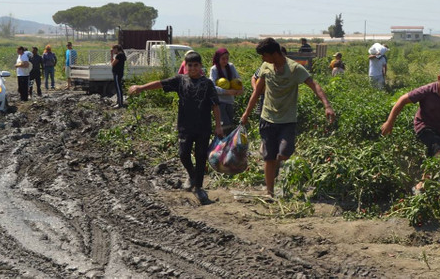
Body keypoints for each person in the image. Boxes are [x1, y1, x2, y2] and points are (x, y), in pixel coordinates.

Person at [240, 38, 335, 198]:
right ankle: (270, 193)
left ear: (274, 53)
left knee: (284, 153)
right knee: (268, 158)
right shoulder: (266, 67)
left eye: (264, 55)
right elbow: (257, 92)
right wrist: (246, 114)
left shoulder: (295, 69)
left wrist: (327, 105)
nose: (262, 59)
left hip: (287, 120)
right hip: (267, 118)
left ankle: (277, 165)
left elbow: (314, 85)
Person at [128, 51, 223, 205]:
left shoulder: (207, 84)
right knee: (183, 154)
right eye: (189, 65)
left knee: (200, 157)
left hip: (203, 127)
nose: (192, 68)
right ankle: (192, 176)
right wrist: (141, 87)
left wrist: (218, 125)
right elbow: (160, 83)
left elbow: (215, 105)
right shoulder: (180, 80)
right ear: (185, 66)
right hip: (185, 126)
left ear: (200, 66)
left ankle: (199, 188)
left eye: (195, 65)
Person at [380, 64, 440, 193]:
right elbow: (402, 100)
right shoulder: (427, 90)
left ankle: (420, 188)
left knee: (436, 159)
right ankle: (423, 187)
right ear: (438, 78)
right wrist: (389, 122)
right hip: (424, 126)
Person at [209, 48, 243, 131]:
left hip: (230, 101)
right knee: (225, 124)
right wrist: (226, 92)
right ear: (218, 58)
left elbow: (238, 80)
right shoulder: (214, 69)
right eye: (223, 59)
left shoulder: (231, 67)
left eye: (227, 58)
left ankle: (227, 142)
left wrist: (241, 89)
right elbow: (212, 87)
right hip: (219, 102)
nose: (225, 61)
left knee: (230, 124)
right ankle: (222, 142)